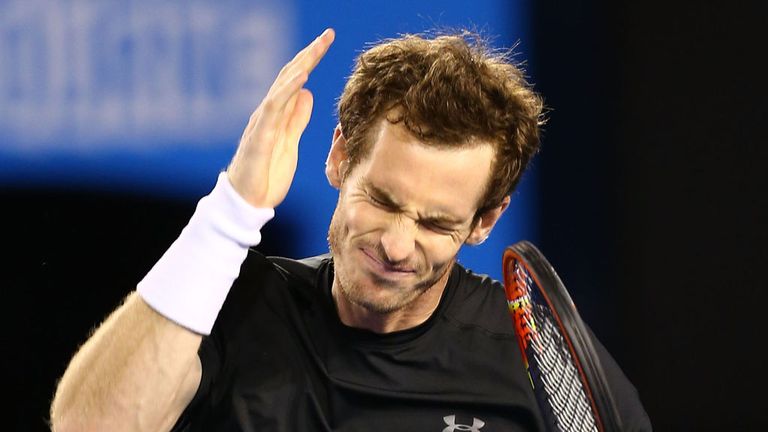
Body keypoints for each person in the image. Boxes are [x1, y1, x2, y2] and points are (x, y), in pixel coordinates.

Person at [50, 29, 651, 431]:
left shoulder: (532, 359)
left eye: (436, 223)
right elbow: (88, 427)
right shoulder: (230, 306)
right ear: (340, 158)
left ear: (485, 220)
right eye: (381, 200)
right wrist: (232, 211)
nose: (396, 245)